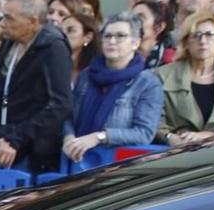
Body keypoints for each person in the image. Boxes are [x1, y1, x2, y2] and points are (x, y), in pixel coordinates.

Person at [0, 0, 73, 173]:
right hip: (0, 138)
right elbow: (3, 91)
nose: (3, 24)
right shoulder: (10, 42)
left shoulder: (53, 48)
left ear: (33, 21)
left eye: (10, 19)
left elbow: (61, 105)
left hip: (32, 150)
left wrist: (17, 139)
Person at [61, 12, 164, 163]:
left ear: (135, 43)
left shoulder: (147, 83)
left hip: (115, 166)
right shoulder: (87, 75)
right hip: (76, 160)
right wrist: (68, 136)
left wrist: (100, 137)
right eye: (107, 36)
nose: (112, 41)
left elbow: (144, 133)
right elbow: (68, 116)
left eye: (120, 36)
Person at [156, 9, 214, 145]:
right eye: (196, 35)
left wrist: (210, 135)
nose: (203, 41)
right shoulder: (162, 75)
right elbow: (154, 119)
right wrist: (170, 138)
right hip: (173, 151)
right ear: (186, 42)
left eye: (209, 34)